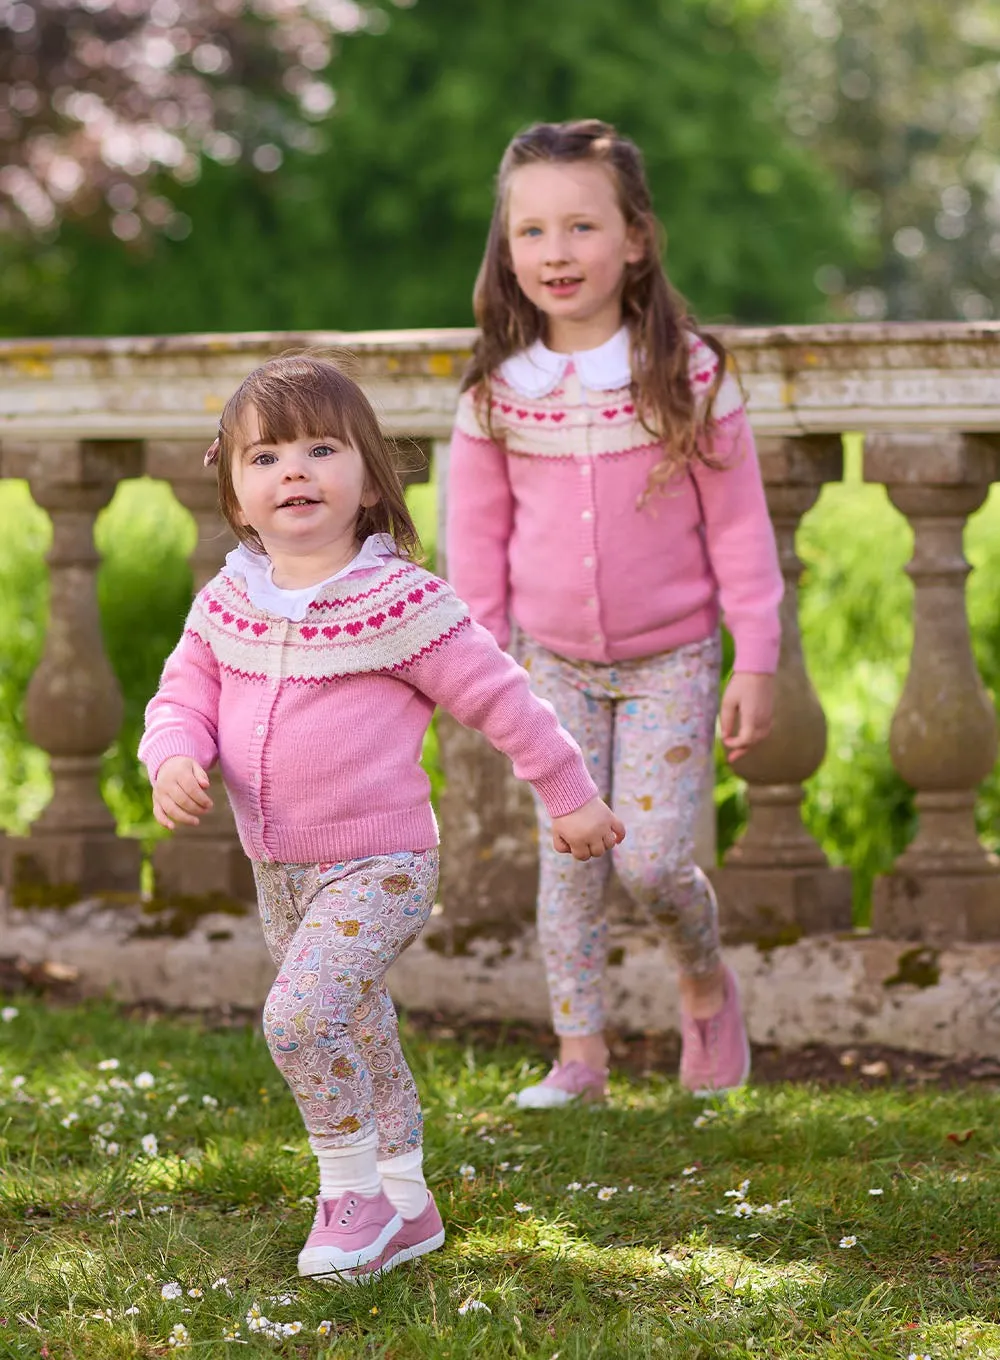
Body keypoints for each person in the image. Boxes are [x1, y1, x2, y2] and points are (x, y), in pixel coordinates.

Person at [139, 352, 624, 1280]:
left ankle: (350, 1191)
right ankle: (409, 1198)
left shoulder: (401, 600)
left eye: (322, 449)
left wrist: (570, 796)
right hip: (277, 868)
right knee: (357, 1025)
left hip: (381, 864)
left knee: (299, 1020)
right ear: (237, 495)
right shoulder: (227, 600)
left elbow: (503, 700)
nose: (295, 472)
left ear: (368, 478)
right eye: (267, 457)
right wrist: (172, 758)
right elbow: (180, 698)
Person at [446, 119, 783, 1110]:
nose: (556, 252)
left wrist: (755, 659)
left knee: (652, 860)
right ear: (508, 252)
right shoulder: (497, 398)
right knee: (570, 858)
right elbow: (477, 558)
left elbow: (741, 535)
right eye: (532, 232)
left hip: (670, 661)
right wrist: (483, 678)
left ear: (633, 238)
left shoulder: (688, 377)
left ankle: (703, 983)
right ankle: (580, 1056)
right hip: (545, 667)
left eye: (581, 227)